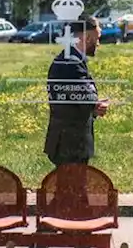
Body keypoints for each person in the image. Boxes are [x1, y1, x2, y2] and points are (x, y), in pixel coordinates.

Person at [44, 17, 109, 167]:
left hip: (68, 141)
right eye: (97, 38)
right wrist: (95, 105)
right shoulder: (71, 63)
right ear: (86, 37)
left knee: (69, 187)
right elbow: (85, 96)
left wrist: (93, 104)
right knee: (72, 188)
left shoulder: (71, 59)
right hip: (70, 142)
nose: (99, 43)